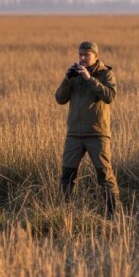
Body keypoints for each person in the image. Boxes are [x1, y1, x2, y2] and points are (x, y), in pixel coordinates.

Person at [55, 41, 120, 216]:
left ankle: (112, 214)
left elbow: (109, 96)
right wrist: (67, 79)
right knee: (67, 175)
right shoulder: (74, 75)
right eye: (80, 55)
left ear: (96, 56)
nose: (82, 58)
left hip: (97, 133)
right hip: (74, 134)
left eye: (86, 55)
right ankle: (64, 213)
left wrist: (89, 79)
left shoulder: (105, 74)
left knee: (104, 174)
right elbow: (60, 99)